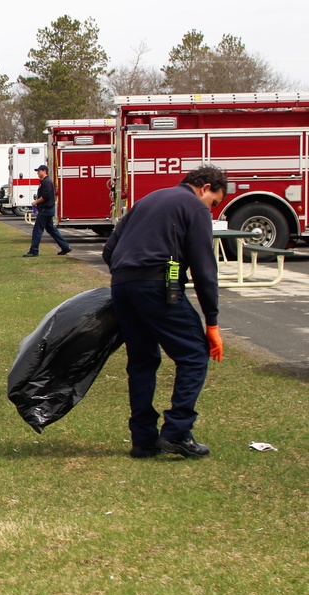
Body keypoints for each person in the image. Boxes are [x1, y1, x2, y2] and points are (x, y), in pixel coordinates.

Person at [101, 165, 227, 459]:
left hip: (122, 286)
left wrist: (129, 276)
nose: (211, 210)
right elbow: (204, 269)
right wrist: (213, 323)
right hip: (158, 285)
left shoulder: (148, 200)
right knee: (195, 354)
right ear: (205, 188)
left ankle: (144, 440)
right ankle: (177, 432)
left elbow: (109, 250)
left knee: (142, 360)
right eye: (214, 203)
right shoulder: (194, 207)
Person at [23, 165, 72, 257]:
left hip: (45, 210)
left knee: (37, 230)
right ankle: (65, 247)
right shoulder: (45, 182)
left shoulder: (46, 182)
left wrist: (36, 202)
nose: (37, 173)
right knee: (52, 230)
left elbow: (46, 196)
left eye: (39, 171)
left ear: (44, 171)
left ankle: (34, 250)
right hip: (48, 210)